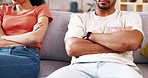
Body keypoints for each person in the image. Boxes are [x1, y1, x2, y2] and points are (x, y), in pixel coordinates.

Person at [47, 0, 144, 78]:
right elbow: (72, 48)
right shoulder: (79, 18)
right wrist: (118, 44)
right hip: (81, 66)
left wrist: (90, 36)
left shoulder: (130, 16)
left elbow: (133, 43)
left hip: (119, 65)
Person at [0, 0, 53, 78]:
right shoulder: (2, 10)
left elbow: (36, 38)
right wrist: (28, 39)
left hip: (26, 56)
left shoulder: (41, 9)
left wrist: (4, 37)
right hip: (2, 53)